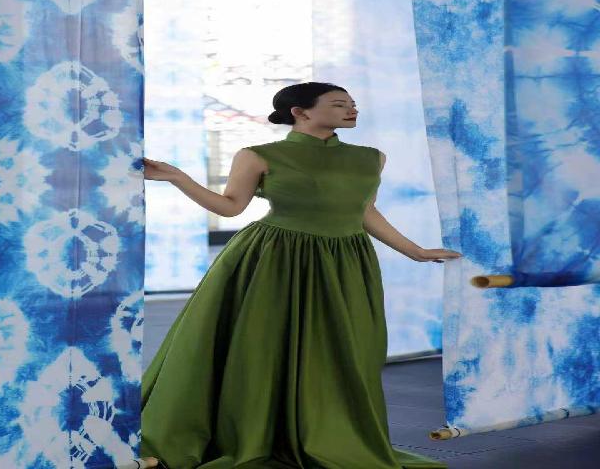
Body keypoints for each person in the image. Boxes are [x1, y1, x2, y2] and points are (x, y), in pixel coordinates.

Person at [138, 82, 462, 468]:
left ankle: (327, 432)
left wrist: (415, 251)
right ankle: (255, 433)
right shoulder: (257, 155)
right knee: (262, 349)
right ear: (300, 112)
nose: (352, 110)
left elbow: (364, 211)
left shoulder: (371, 158)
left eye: (353, 104)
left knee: (346, 350)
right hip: (274, 259)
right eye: (339, 104)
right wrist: (177, 177)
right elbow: (229, 207)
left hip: (345, 261)